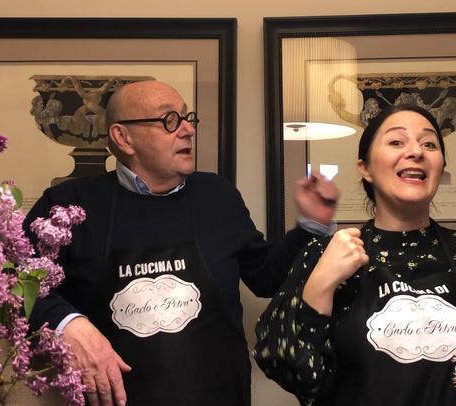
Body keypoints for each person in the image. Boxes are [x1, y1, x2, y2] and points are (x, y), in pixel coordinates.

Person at [24, 79, 339, 406]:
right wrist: (68, 325)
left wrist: (311, 225)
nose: (188, 129)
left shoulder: (217, 195)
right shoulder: (68, 206)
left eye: (187, 118)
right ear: (123, 137)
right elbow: (15, 285)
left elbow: (265, 276)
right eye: (169, 120)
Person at [253, 104, 456, 405]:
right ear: (365, 168)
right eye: (397, 141)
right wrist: (320, 285)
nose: (416, 151)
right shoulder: (324, 254)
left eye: (429, 144)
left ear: (440, 167)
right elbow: (296, 375)